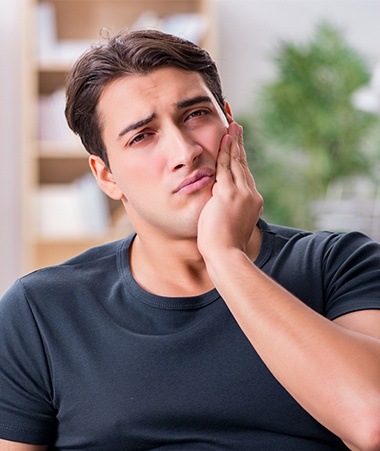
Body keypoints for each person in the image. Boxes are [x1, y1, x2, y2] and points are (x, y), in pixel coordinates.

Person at [0, 28, 379, 451]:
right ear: (107, 176)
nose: (184, 151)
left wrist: (224, 256)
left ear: (230, 123)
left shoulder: (340, 265)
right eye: (142, 136)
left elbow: (372, 421)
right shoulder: (39, 312)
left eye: (196, 114)